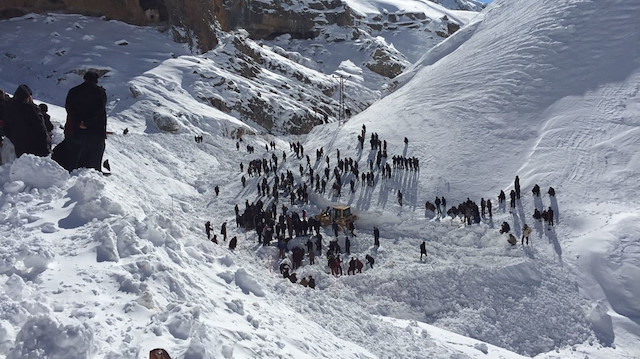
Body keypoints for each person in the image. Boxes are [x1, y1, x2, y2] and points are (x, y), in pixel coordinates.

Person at [62, 71, 107, 172]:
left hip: (76, 130)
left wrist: (79, 122)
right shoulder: (100, 92)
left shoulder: (73, 91)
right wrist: (87, 123)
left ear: (84, 79)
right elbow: (99, 110)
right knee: (93, 160)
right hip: (95, 131)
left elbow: (69, 108)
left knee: (75, 158)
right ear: (96, 80)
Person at [3, 84, 50, 158]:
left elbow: (5, 129)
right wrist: (46, 148)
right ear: (27, 97)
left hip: (19, 148)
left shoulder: (9, 108)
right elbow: (41, 130)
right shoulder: (31, 109)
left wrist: (15, 139)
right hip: (36, 149)